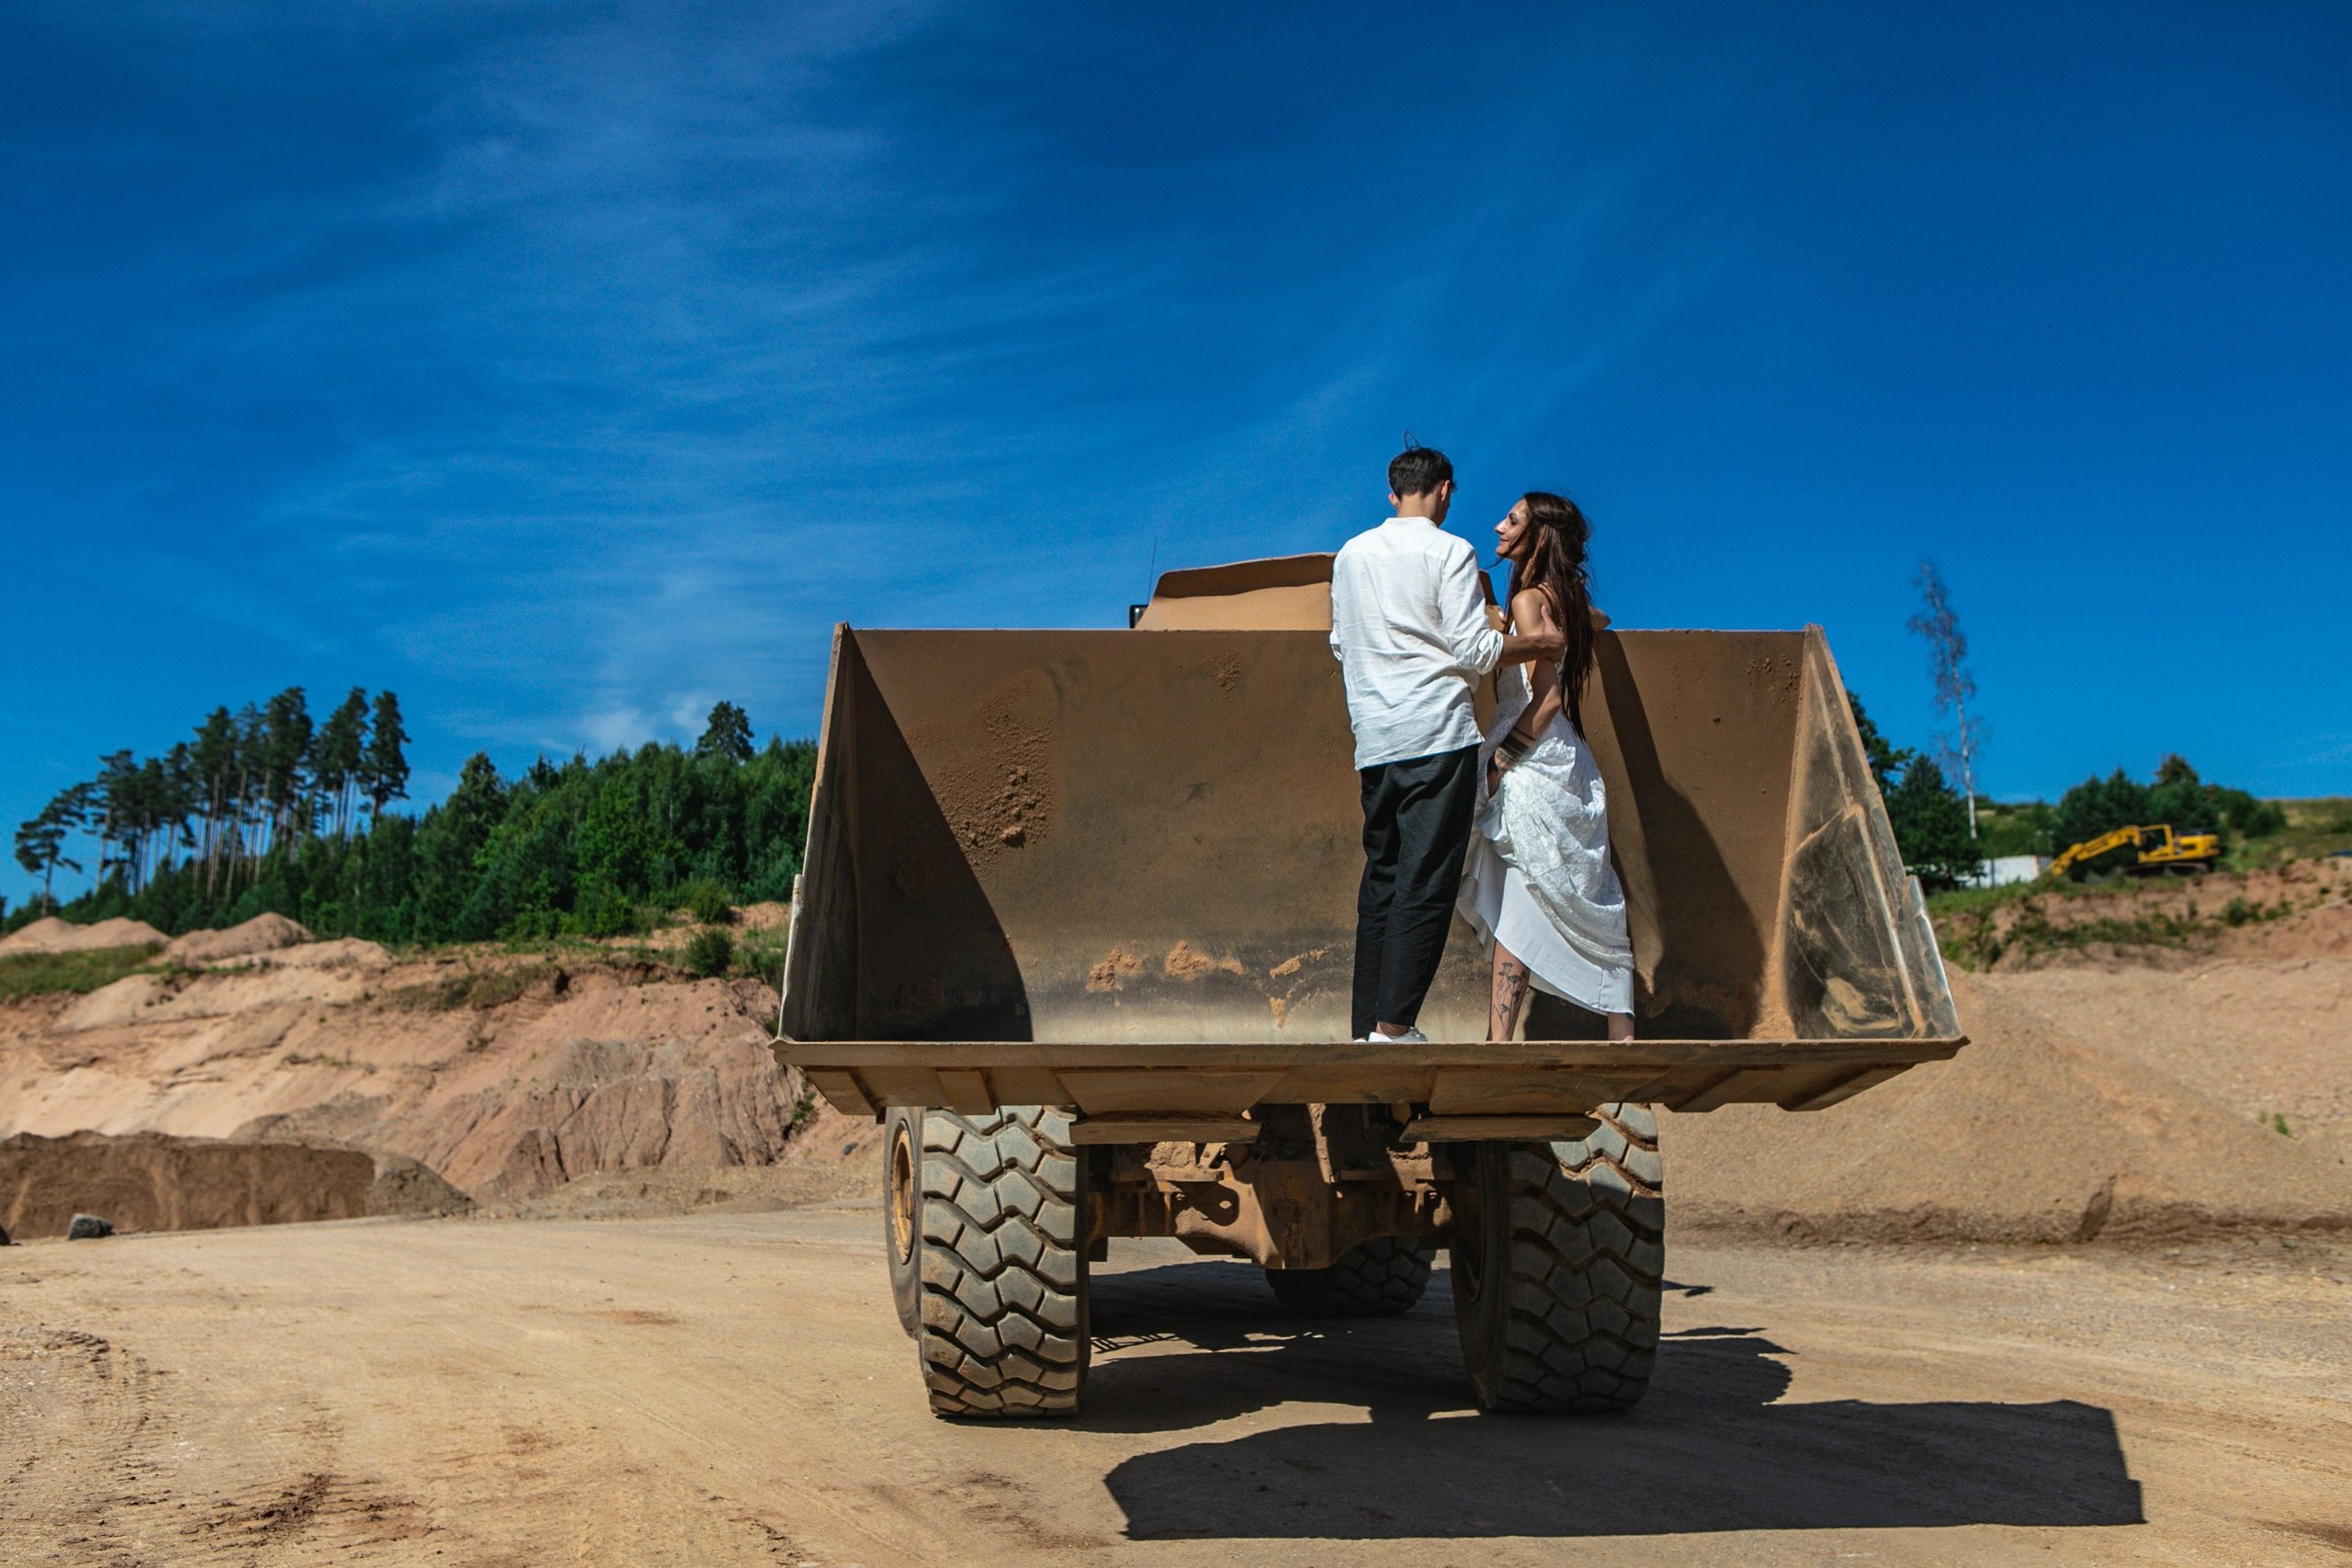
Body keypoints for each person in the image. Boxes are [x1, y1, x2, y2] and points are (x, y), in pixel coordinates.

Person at [1330, 445, 1566, 1043]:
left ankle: (1367, 1031)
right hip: (1436, 735)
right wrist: (1541, 647)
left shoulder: (1351, 555)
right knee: (1425, 881)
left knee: (1381, 880)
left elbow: (1341, 644)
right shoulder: (1450, 550)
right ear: (1445, 491)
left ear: (1392, 492)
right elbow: (1474, 651)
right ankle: (1395, 1025)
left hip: (1374, 739)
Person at [1457, 491, 1636, 1043]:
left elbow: (1549, 698)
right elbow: (1598, 619)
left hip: (1531, 760)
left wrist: (1499, 767)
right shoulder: (1557, 601)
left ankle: (1499, 1039)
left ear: (1537, 537)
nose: (1498, 526)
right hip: (1567, 761)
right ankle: (1622, 1035)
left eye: (1512, 521)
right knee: (1577, 890)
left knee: (1521, 893)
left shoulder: (1530, 601)